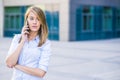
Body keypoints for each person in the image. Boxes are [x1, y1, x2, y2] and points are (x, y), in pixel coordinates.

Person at [5, 6, 51, 80]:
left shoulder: (45, 43)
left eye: (38, 19)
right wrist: (22, 41)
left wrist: (17, 66)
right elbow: (9, 63)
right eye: (31, 18)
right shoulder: (17, 39)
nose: (35, 22)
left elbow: (41, 73)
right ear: (27, 21)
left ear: (41, 22)